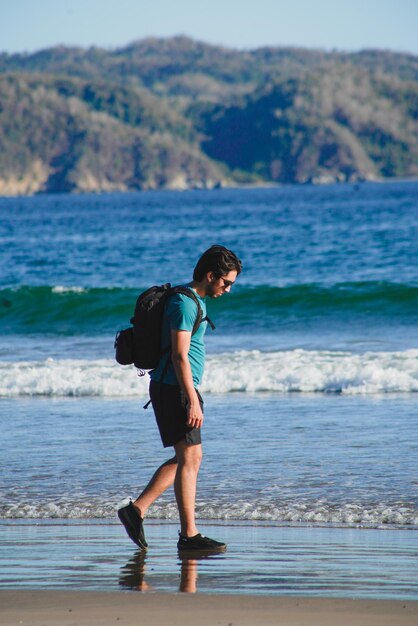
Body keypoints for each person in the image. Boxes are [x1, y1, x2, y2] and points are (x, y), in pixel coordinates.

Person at [118, 245, 242, 552]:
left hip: (174, 388)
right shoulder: (186, 304)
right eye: (225, 283)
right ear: (210, 275)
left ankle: (136, 511)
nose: (227, 289)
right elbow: (179, 355)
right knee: (191, 458)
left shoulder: (191, 299)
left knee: (187, 457)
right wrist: (192, 398)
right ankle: (188, 535)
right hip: (175, 389)